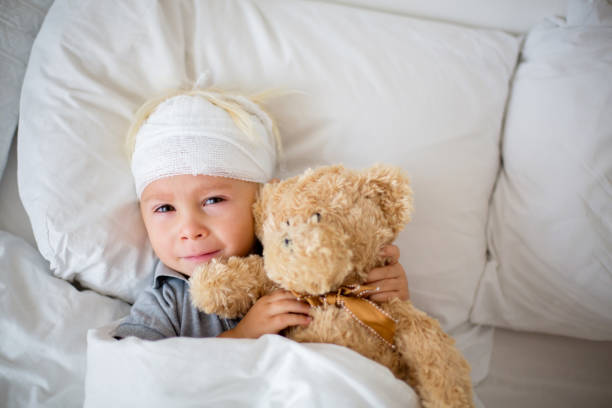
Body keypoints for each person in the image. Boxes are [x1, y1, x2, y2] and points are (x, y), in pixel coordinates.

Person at [113, 87, 409, 341]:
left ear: (263, 201)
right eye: (164, 208)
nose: (190, 229)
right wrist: (241, 337)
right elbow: (138, 375)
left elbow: (383, 341)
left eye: (213, 200)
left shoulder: (310, 256)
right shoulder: (167, 303)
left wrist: (391, 296)